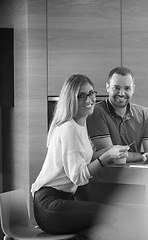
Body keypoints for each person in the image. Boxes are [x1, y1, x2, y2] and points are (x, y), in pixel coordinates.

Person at [31, 74, 129, 237]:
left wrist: (110, 150)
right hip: (50, 205)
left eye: (91, 93)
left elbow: (85, 159)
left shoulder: (79, 125)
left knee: (103, 224)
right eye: (81, 96)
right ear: (71, 100)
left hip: (60, 202)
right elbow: (79, 176)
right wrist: (106, 156)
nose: (89, 99)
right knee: (115, 214)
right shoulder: (70, 128)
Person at [87, 66, 148, 163]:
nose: (121, 93)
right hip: (104, 176)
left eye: (127, 88)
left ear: (133, 89)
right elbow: (111, 155)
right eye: (116, 88)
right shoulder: (96, 111)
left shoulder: (144, 113)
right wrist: (143, 155)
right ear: (107, 87)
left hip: (135, 175)